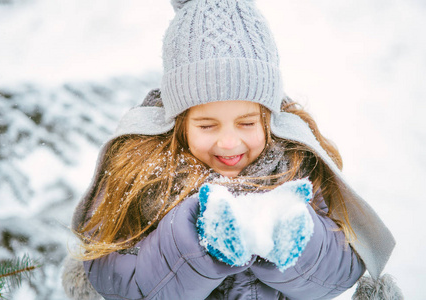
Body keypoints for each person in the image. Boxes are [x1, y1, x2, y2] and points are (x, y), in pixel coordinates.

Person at [62, 0, 402, 299]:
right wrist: (193, 242)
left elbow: (340, 274)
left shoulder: (293, 166)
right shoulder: (147, 174)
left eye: (247, 123)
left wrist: (296, 241)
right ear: (179, 122)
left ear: (269, 118)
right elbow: (115, 281)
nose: (228, 142)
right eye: (207, 125)